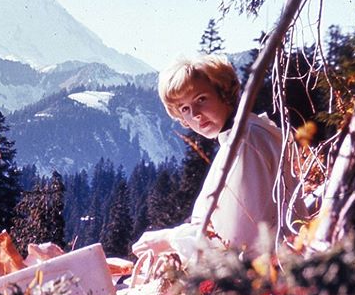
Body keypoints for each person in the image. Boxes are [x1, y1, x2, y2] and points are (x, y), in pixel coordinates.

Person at [132, 55, 308, 273]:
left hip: (269, 280)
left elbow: (237, 244)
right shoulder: (247, 133)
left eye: (201, 99)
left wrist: (169, 238)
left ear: (224, 93)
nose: (195, 114)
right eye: (184, 108)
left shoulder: (246, 143)